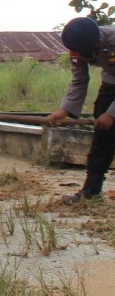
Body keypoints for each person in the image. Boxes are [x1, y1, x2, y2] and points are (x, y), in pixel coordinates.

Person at [47, 17, 115, 203]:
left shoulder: (113, 38)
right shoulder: (76, 48)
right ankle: (92, 190)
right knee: (102, 134)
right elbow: (79, 81)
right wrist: (64, 111)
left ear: (98, 42)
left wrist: (111, 114)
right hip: (111, 81)